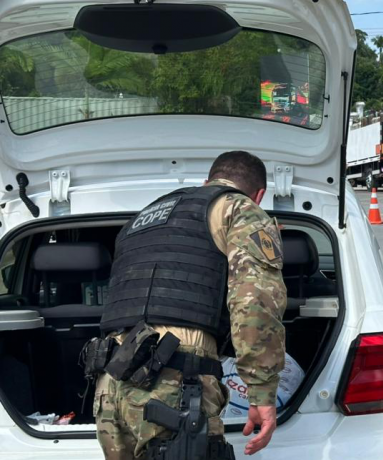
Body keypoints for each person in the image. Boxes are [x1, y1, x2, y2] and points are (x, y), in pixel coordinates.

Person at [92, 151, 287, 459]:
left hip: (111, 382)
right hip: (175, 379)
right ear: (259, 195)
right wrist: (261, 392)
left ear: (205, 181)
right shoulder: (239, 207)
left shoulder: (144, 218)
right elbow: (254, 303)